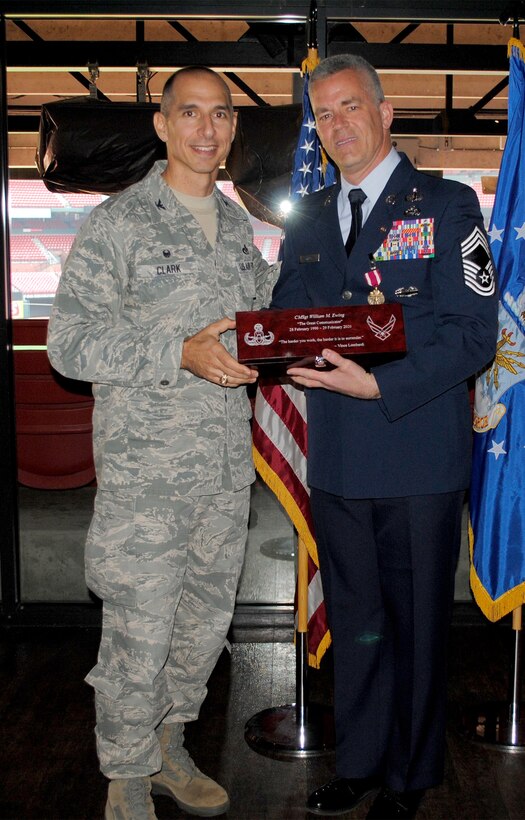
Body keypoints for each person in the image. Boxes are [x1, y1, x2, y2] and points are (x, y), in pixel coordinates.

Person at [47, 66, 278, 820]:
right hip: (146, 479)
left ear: (233, 129)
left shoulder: (242, 229)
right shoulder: (120, 223)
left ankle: (170, 748)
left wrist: (349, 309)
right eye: (189, 113)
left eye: (220, 115)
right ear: (161, 124)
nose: (205, 130)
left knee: (202, 628)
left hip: (221, 473)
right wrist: (174, 352)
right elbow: (69, 346)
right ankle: (124, 772)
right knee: (138, 633)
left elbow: (263, 322)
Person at [271, 54, 498, 819]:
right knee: (359, 624)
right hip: (335, 460)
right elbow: (284, 322)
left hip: (414, 458)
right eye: (323, 115)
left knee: (415, 627)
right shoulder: (304, 217)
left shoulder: (445, 205)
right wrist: (275, 352)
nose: (337, 126)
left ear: (383, 110)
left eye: (349, 107)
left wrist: (380, 383)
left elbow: (472, 336)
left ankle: (408, 776)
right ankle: (361, 763)